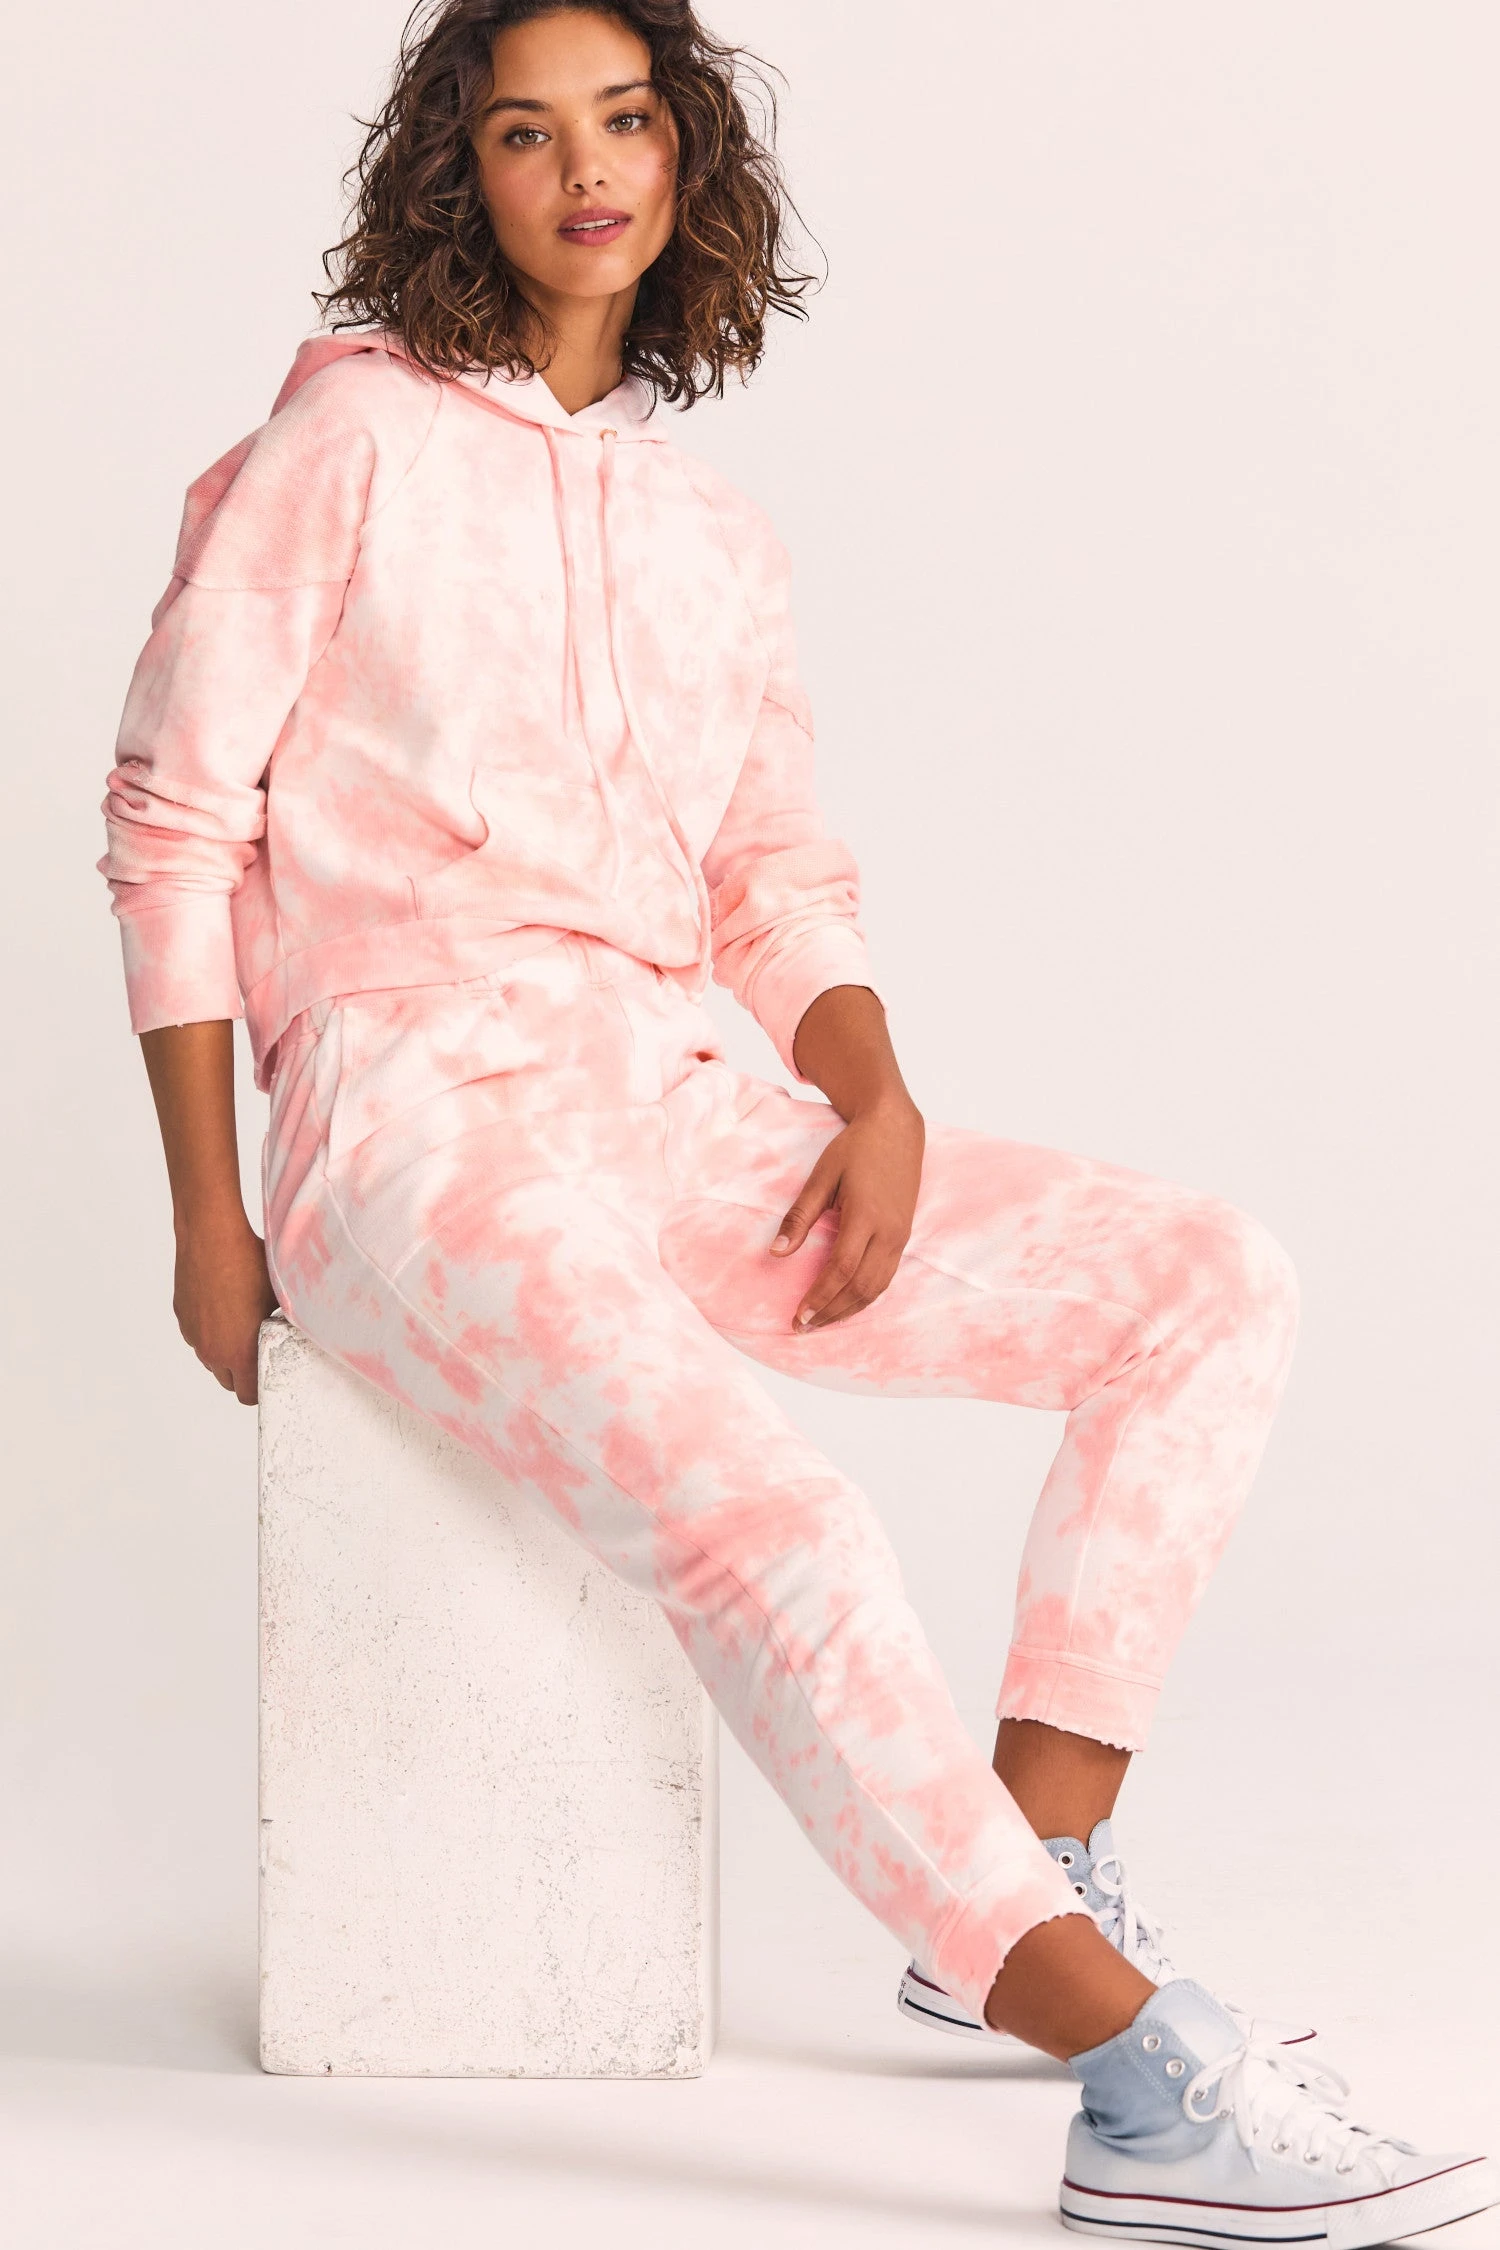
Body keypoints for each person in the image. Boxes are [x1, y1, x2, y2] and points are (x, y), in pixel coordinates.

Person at [99, 3, 1494, 2239]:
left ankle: (1030, 1867)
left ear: (687, 159)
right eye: (528, 131)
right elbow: (175, 826)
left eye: (626, 119)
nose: (587, 170)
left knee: (1201, 1280)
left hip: (665, 1094)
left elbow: (770, 876)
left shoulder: (708, 531)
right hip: (411, 1118)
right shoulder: (344, 443)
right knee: (784, 1517)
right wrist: (206, 1212)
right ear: (461, 175)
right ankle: (1140, 2078)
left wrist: (868, 1081)